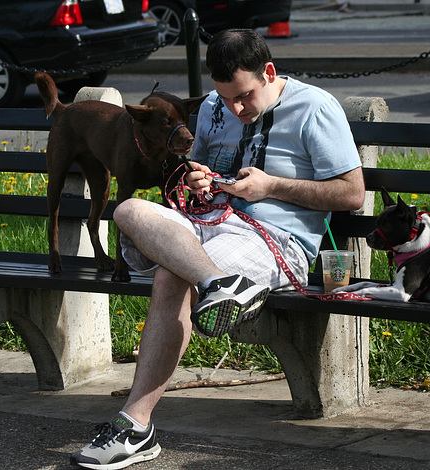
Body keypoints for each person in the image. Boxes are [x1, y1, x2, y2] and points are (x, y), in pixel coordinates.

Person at [70, 29, 365, 469]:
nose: (235, 109)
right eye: (226, 99)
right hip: (206, 226)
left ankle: (134, 425)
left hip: (274, 241)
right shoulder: (212, 107)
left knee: (174, 272)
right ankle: (221, 283)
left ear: (269, 72)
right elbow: (194, 168)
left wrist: (271, 186)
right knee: (129, 209)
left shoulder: (315, 107)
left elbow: (352, 194)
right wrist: (195, 178)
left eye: (244, 96)